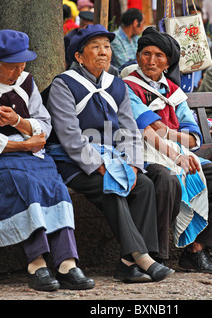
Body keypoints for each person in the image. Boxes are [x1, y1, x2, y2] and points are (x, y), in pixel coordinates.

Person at [0, 29, 95, 292]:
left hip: (30, 157)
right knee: (26, 184)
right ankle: (37, 263)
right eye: (10, 67)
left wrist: (18, 122)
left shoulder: (27, 82)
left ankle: (67, 263)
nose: (17, 73)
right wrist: (24, 144)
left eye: (21, 66)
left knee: (56, 186)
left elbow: (45, 124)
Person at [45, 24, 175, 283]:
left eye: (107, 47)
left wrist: (134, 164)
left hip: (114, 159)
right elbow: (70, 136)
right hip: (74, 163)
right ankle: (142, 256)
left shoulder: (116, 85)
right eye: (95, 47)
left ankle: (127, 263)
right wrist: (100, 166)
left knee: (145, 185)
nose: (103, 52)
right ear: (79, 57)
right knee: (111, 186)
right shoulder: (64, 84)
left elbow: (128, 129)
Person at [124, 27, 212, 273]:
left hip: (177, 152)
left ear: (168, 62)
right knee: (166, 180)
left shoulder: (174, 93)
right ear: (137, 57)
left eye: (159, 55)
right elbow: (145, 131)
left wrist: (168, 133)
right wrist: (175, 146)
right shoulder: (127, 87)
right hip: (143, 154)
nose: (152, 60)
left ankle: (196, 249)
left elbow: (193, 137)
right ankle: (154, 255)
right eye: (146, 54)